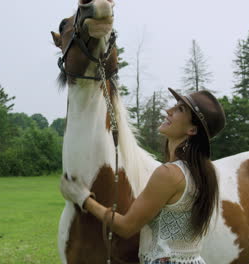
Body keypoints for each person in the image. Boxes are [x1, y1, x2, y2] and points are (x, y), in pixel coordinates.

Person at [60, 88, 226, 264]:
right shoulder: (202, 174)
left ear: (192, 130)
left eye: (180, 110)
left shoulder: (169, 174)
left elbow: (125, 227)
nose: (168, 111)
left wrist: (84, 199)